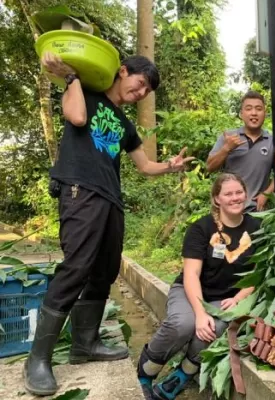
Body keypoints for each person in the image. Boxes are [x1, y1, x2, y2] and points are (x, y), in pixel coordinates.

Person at [23, 53, 194, 396]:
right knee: (77, 266)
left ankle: (85, 344)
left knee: (106, 268)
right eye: (141, 83)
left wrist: (171, 167)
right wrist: (71, 78)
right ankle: (37, 359)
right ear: (123, 71)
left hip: (110, 197)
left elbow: (144, 166)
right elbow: (75, 116)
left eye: (147, 90)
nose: (142, 92)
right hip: (80, 188)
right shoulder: (84, 92)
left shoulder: (126, 126)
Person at [137, 173, 260, 400]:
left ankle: (182, 375)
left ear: (246, 194)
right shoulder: (201, 228)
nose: (235, 198)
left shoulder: (258, 228)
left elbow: (258, 273)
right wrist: (200, 313)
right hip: (190, 290)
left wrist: (239, 298)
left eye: (239, 192)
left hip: (228, 297)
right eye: (228, 194)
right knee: (183, 323)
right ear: (217, 199)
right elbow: (191, 274)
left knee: (215, 328)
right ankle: (147, 370)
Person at [206, 91, 274, 211]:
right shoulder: (228, 137)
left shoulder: (272, 141)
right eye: (248, 109)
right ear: (241, 114)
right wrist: (227, 148)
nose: (254, 113)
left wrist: (267, 193)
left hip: (257, 212)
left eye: (258, 109)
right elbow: (209, 167)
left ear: (265, 113)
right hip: (228, 210)